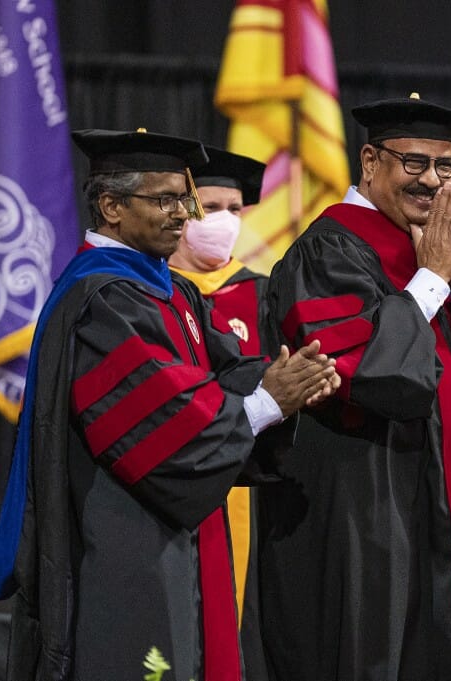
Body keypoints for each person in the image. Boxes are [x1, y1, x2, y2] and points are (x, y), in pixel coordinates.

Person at [2, 129, 340, 681]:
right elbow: (162, 425)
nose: (186, 215)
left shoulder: (169, 290)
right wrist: (267, 401)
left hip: (169, 533)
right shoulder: (104, 302)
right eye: (165, 200)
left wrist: (285, 379)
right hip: (119, 543)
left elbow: (222, 373)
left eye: (186, 200)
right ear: (111, 207)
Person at [258, 94, 451, 681]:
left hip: (440, 501)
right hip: (361, 507)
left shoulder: (433, 252)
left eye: (446, 167)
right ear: (369, 162)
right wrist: (431, 279)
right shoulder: (327, 251)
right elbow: (363, 372)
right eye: (413, 163)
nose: (431, 182)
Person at [167, 146, 271, 678]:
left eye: (235, 207)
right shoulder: (151, 295)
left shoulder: (265, 296)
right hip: (177, 476)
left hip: (252, 490)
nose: (225, 220)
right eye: (210, 206)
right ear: (181, 210)